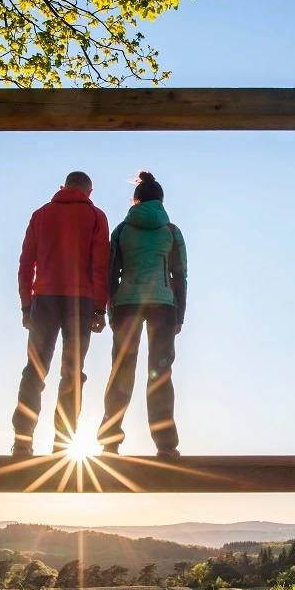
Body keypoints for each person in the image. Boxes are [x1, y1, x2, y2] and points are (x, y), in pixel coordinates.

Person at [11, 171, 109, 458]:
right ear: (89, 192)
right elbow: (100, 263)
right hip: (81, 300)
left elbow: (26, 261)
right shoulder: (95, 216)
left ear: (63, 187)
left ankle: (21, 442)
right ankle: (61, 445)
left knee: (34, 370)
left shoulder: (41, 214)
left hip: (44, 298)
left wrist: (26, 304)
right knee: (72, 374)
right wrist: (100, 307)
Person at [98, 171, 187, 458]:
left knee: (121, 371)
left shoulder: (123, 229)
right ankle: (166, 446)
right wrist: (179, 316)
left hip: (127, 303)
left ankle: (110, 443)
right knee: (160, 374)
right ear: (161, 200)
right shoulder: (171, 231)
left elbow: (111, 272)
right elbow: (179, 276)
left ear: (136, 200)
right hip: (163, 304)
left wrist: (110, 309)